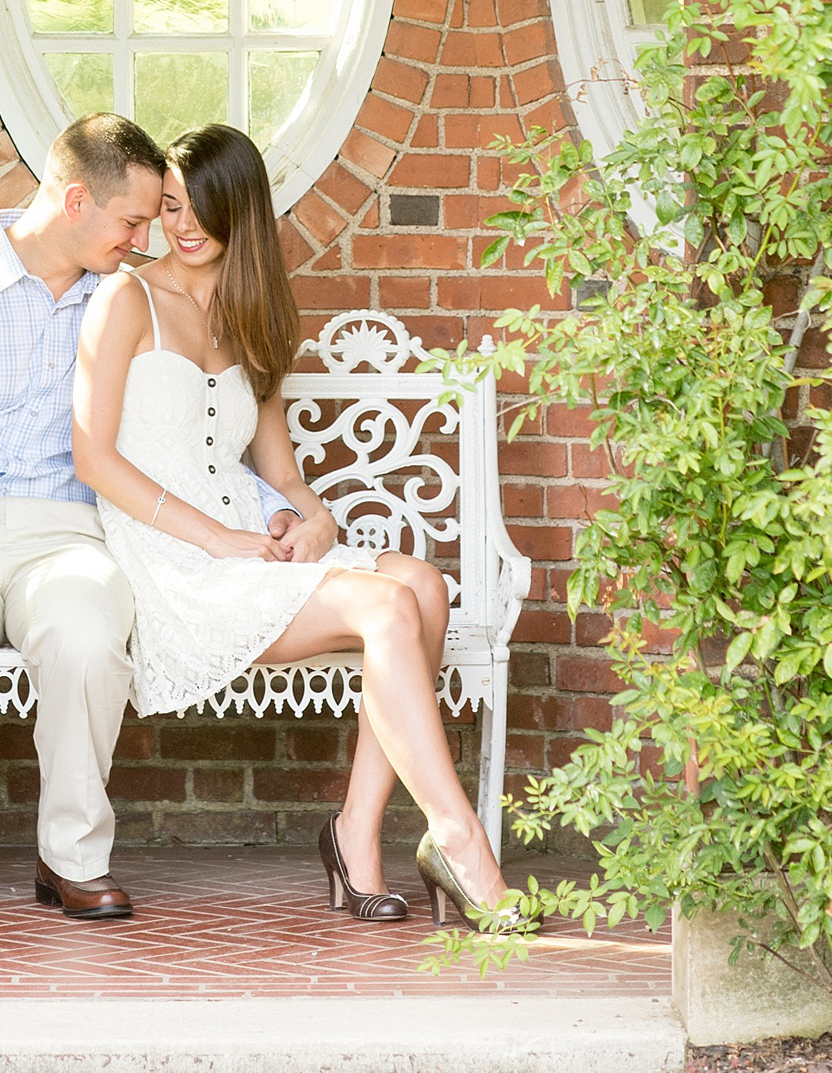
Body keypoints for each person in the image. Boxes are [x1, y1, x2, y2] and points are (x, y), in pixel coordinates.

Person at [0, 111, 302, 925]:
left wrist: (280, 514)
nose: (144, 238)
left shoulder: (124, 298)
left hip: (70, 535)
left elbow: (195, 440)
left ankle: (72, 860)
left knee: (88, 639)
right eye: (132, 220)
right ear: (72, 201)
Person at [73, 121, 516, 926]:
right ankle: (461, 841)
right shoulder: (126, 300)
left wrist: (313, 523)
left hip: (250, 544)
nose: (181, 225)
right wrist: (222, 542)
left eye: (201, 207)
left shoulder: (253, 315)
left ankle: (356, 836)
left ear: (242, 212)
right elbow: (93, 458)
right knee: (386, 604)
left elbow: (282, 477)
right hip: (175, 564)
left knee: (422, 584)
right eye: (169, 206)